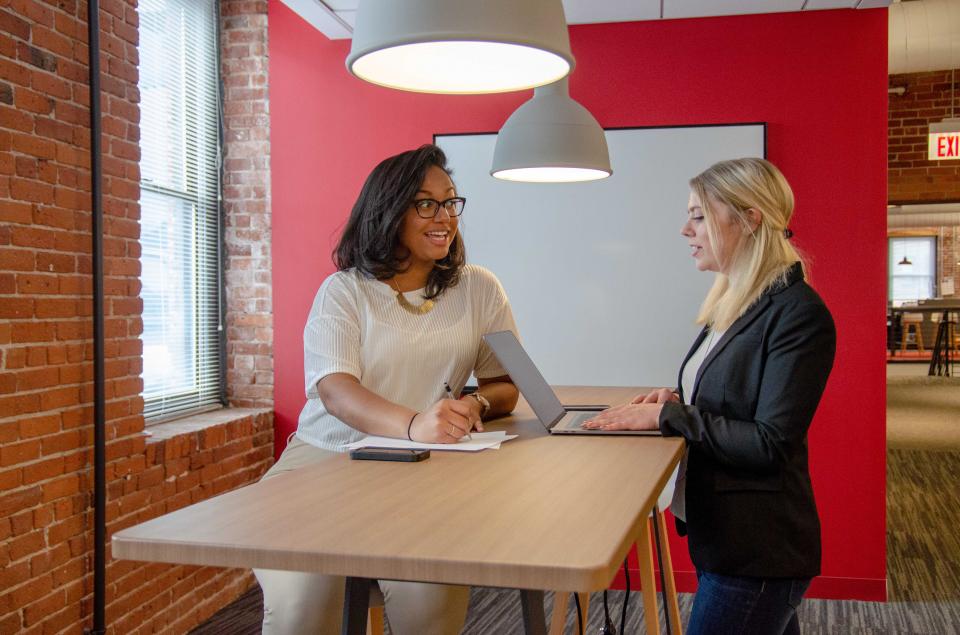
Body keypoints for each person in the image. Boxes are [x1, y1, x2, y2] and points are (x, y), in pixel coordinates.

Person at [255, 144, 520, 635]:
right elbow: (335, 390)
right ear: (388, 210)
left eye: (450, 202)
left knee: (431, 602)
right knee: (304, 608)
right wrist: (414, 423)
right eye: (426, 204)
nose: (444, 217)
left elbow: (505, 386)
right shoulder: (344, 292)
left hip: (421, 474)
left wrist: (474, 401)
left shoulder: (479, 289)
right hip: (323, 461)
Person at [584, 158, 836, 634]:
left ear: (749, 218)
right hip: (725, 537)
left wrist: (670, 417)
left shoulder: (798, 314)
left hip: (756, 550)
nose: (685, 229)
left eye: (699, 215)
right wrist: (677, 399)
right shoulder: (735, 302)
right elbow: (729, 396)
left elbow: (769, 443)